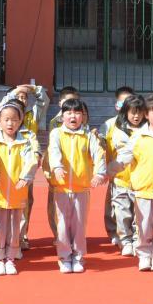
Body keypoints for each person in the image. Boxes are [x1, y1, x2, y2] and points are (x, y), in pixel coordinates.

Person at [111, 94, 153, 272]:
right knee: (143, 226)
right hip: (142, 191)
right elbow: (124, 158)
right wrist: (106, 172)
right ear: (146, 115)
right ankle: (144, 255)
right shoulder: (137, 137)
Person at [47, 97, 107, 273]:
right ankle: (64, 257)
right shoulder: (56, 133)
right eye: (69, 112)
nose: (73, 116)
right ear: (62, 116)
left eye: (77, 113)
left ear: (83, 116)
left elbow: (98, 155)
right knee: (63, 224)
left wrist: (99, 174)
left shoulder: (89, 136)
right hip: (62, 188)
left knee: (80, 224)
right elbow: (54, 152)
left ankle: (79, 256)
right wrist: (57, 168)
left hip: (81, 188)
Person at [0, 101, 40, 276]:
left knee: (15, 227)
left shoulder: (24, 143)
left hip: (18, 193)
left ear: (21, 121)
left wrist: (25, 177)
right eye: (6, 119)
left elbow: (31, 161)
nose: (10, 123)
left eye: (15, 120)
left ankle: (11, 258)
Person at [104, 94, 145, 256]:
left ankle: (137, 240)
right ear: (125, 112)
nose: (136, 116)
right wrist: (107, 171)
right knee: (122, 213)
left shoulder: (148, 130)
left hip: (141, 181)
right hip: (121, 180)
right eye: (132, 112)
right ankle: (125, 240)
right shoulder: (117, 130)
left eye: (140, 112)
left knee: (139, 214)